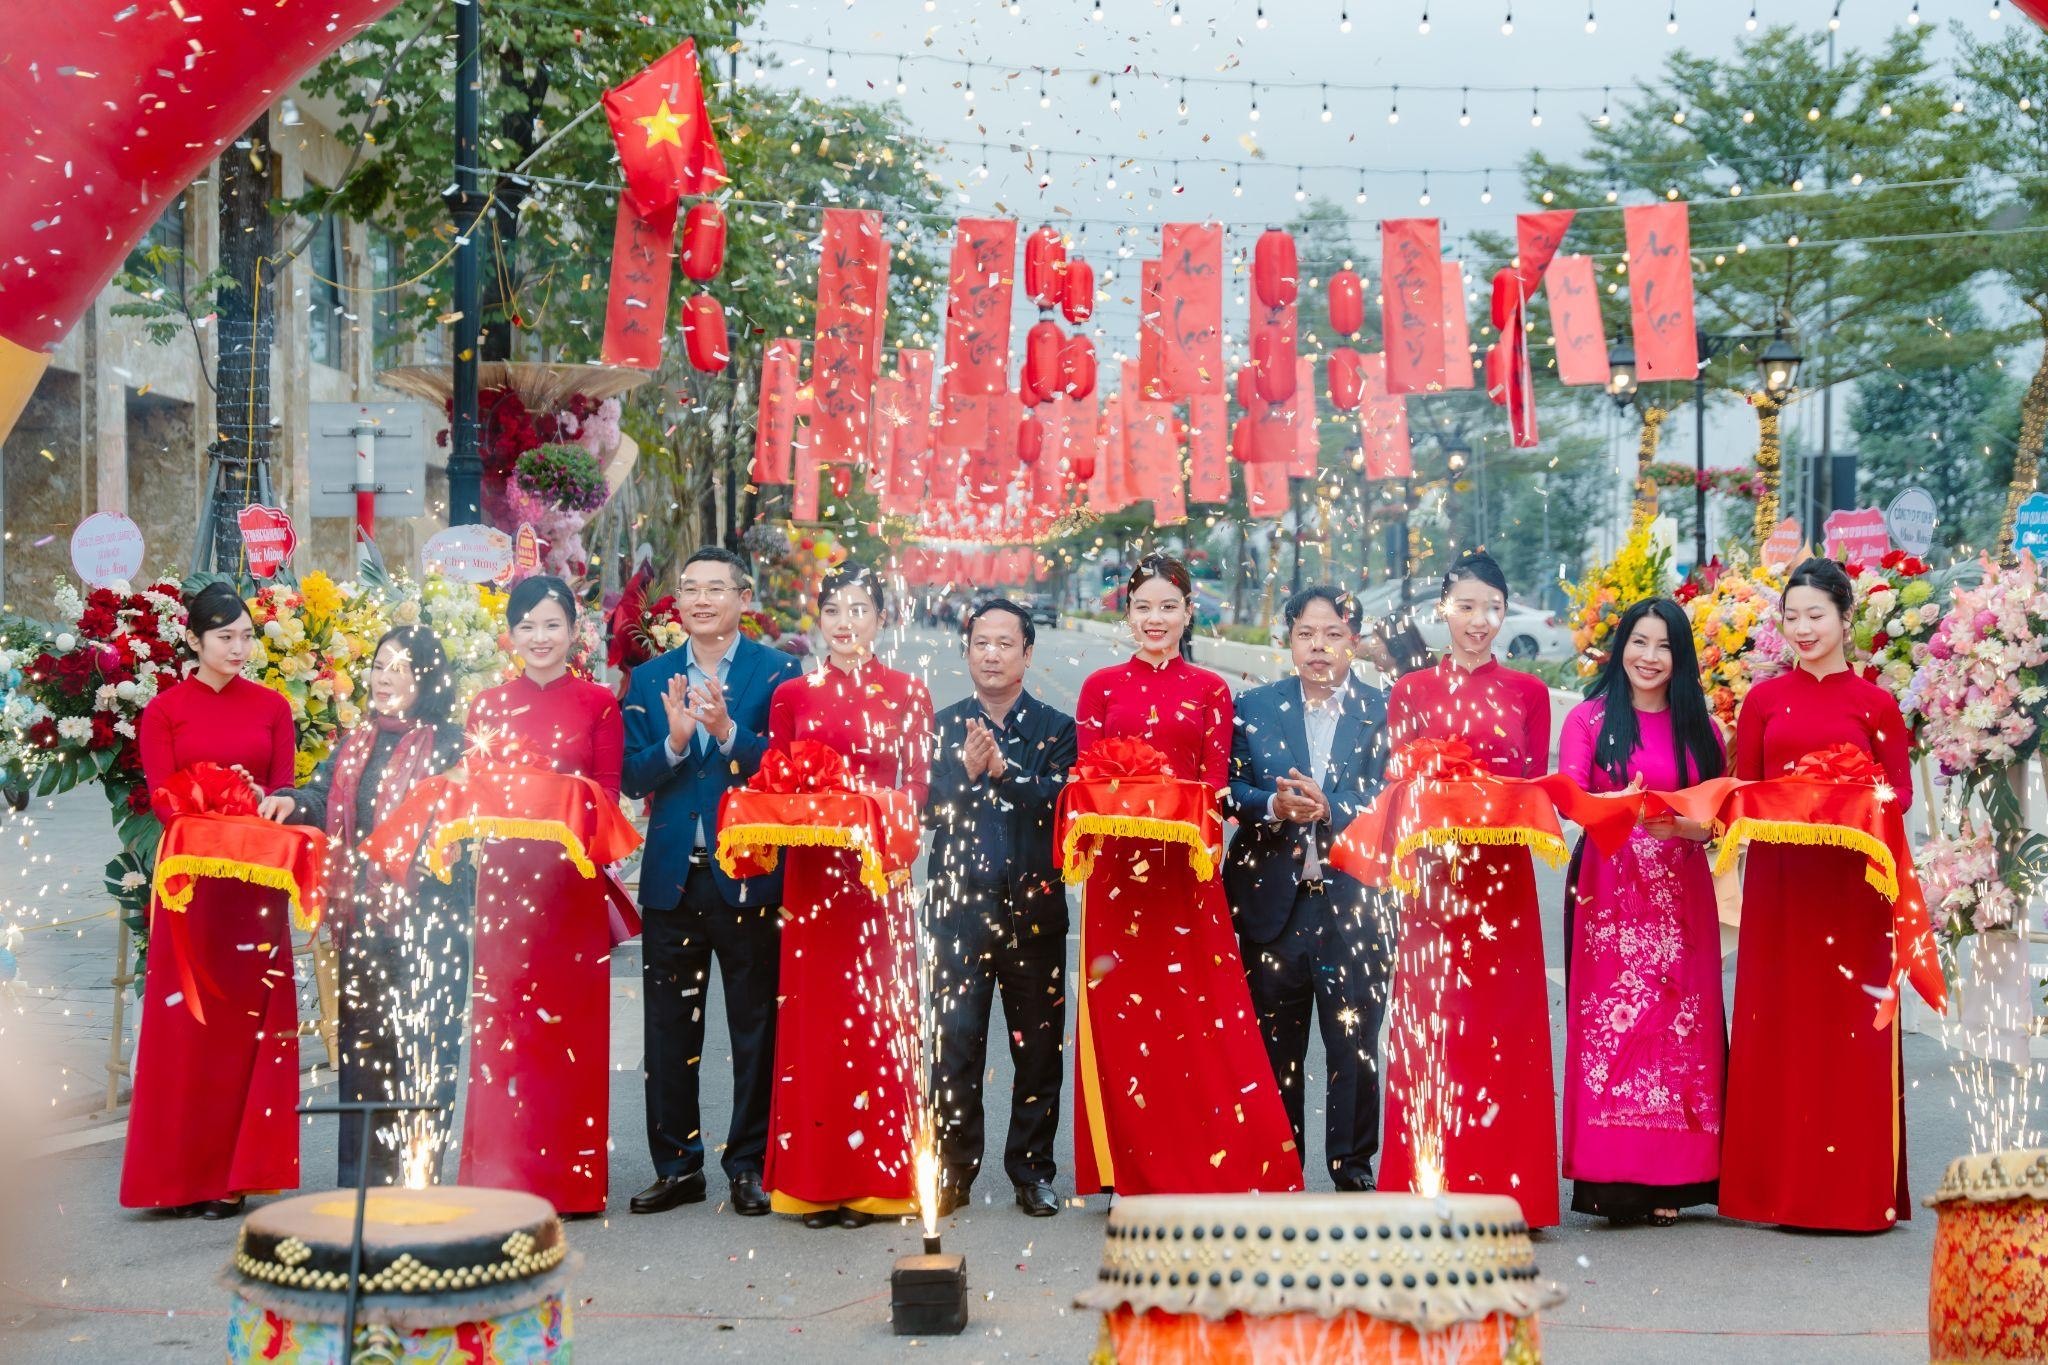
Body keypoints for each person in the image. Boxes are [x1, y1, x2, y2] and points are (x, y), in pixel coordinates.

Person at [1071, 554, 1303, 1197]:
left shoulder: (1209, 690)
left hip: (1186, 876)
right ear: (1126, 614)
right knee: (1121, 1017)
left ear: (1187, 613)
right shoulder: (1101, 689)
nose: (1155, 619)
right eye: (1142, 607)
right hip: (1117, 878)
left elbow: (1220, 787)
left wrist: (1254, 808)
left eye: (1167, 607)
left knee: (1195, 1018)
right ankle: (1129, 1168)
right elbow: (1087, 781)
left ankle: (1206, 1156)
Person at [1721, 557, 1916, 1232]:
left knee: (1850, 1031)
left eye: (1817, 615)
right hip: (1781, 886)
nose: (1804, 629)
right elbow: (1745, 789)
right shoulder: (1764, 701)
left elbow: (1902, 795)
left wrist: (1847, 795)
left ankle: (1854, 1193)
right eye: (1793, 617)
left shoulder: (1877, 704)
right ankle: (1780, 1190)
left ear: (1845, 618)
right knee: (1784, 1027)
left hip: (1854, 893)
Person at [1378, 549, 1560, 1227]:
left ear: (1504, 613)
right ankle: (1424, 1185)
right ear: (1443, 610)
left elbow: (1533, 787)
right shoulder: (1411, 691)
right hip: (1431, 884)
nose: (1478, 621)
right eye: (1465, 606)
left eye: (1492, 608)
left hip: (1501, 882)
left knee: (1503, 1030)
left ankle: (1512, 1191)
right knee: (1431, 1028)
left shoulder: (1529, 694)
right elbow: (1397, 785)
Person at [620, 547, 800, 1218]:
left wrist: (727, 731)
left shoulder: (779, 673)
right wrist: (672, 743)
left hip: (751, 874)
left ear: (743, 598)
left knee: (755, 1028)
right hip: (673, 877)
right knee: (668, 1032)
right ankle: (677, 1164)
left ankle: (748, 1164)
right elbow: (632, 777)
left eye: (715, 588)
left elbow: (786, 770)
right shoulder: (650, 678)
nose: (700, 599)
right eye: (689, 587)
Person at [265, 625, 468, 1189]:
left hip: (431, 925)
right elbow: (321, 793)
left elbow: (470, 830)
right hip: (360, 923)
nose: (385, 677)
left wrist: (439, 860)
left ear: (426, 678)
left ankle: (417, 1179)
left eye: (401, 668)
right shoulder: (355, 743)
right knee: (363, 1053)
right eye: (380, 665)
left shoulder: (452, 744)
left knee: (425, 1056)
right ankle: (360, 1186)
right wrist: (292, 800)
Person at [762, 563, 933, 1228]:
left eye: (858, 608)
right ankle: (812, 1179)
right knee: (812, 1023)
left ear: (881, 619)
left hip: (877, 880)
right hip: (812, 881)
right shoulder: (793, 695)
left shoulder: (908, 693)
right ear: (819, 618)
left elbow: (917, 788)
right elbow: (774, 781)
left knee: (875, 1024)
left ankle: (875, 1181)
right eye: (833, 608)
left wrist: (866, 817)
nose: (844, 621)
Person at [122, 582, 299, 1219]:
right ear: (194, 641)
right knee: (188, 1023)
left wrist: (271, 799)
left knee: (248, 1023)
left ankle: (238, 1173)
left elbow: (284, 787)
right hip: (192, 885)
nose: (239, 647)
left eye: (247, 635)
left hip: (254, 884)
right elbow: (164, 798)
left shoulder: (274, 706)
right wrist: (216, 795)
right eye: (225, 637)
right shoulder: (165, 710)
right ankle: (175, 1177)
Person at [1556, 598, 1726, 1227]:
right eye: (1638, 643)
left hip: (1681, 894)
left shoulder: (1702, 732)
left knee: (1681, 1027)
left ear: (1680, 659)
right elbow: (1571, 799)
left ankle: (1676, 1177)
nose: (1649, 658)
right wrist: (1614, 806)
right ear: (1620, 646)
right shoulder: (1589, 719)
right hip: (1609, 889)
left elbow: (1718, 822)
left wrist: (1688, 828)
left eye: (1663, 647)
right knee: (1613, 1027)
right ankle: (1611, 1177)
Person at [460, 575, 624, 1216]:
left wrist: (563, 814)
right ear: (511, 634)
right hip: (503, 886)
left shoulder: (596, 704)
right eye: (526, 625)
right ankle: (501, 1175)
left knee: (572, 1033)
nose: (539, 637)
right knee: (506, 1028)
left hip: (571, 887)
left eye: (552, 624)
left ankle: (572, 1182)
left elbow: (608, 799)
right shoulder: (487, 706)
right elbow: (474, 794)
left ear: (574, 631)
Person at [1224, 585, 1393, 1191]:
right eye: (1305, 635)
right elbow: (1229, 791)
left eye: (1332, 635)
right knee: (1276, 1040)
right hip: (1274, 901)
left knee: (1354, 1039)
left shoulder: (1386, 711)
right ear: (1288, 640)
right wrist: (1272, 803)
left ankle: (1352, 1163)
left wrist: (1332, 809)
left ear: (1353, 640)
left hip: (1356, 902)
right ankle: (1280, 1161)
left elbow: (1395, 797)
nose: (1318, 648)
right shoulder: (1254, 707)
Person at [926, 599, 1076, 1219]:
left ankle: (1032, 1170)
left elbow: (1062, 804)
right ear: (966, 653)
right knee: (955, 1044)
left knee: (1037, 1050)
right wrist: (964, 771)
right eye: (980, 643)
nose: (991, 654)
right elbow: (925, 810)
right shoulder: (940, 723)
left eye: (1004, 644)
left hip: (1033, 914)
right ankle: (953, 1170)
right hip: (958, 911)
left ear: (1027, 654)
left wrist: (1004, 770)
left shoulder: (1057, 728)